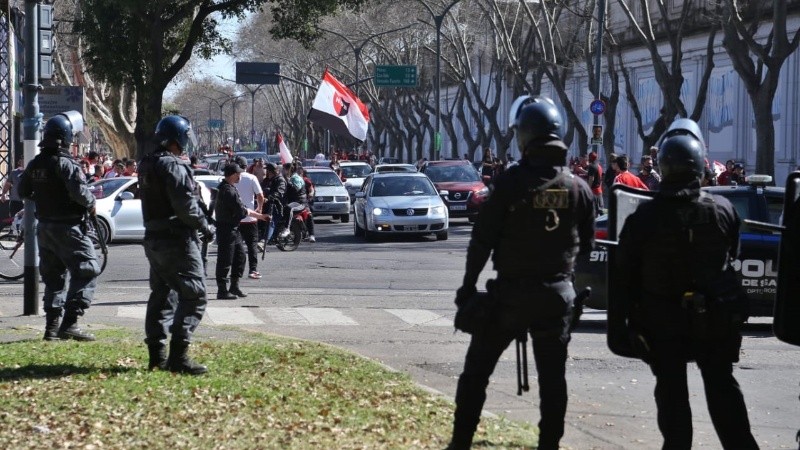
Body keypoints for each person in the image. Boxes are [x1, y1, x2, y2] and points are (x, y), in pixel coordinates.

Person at [448, 97, 595, 450]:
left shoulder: (510, 184)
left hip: (510, 297)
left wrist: (468, 287)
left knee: (476, 372)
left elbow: (482, 241)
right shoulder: (579, 188)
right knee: (553, 380)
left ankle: (460, 443)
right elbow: (587, 247)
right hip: (557, 296)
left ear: (525, 137)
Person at [615, 121, 758, 449]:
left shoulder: (644, 217)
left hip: (663, 322)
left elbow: (624, 273)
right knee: (722, 387)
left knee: (671, 393)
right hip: (714, 319)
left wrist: (631, 321)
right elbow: (733, 253)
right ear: (699, 168)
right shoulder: (722, 209)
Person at [138, 115, 216, 375]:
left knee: (162, 296)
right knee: (194, 295)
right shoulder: (173, 165)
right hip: (176, 239)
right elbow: (186, 207)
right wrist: (205, 226)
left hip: (154, 238)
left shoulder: (147, 164)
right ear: (176, 139)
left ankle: (157, 357)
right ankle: (178, 357)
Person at [17, 111, 99, 342]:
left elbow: (23, 191)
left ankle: (51, 328)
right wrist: (91, 203)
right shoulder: (66, 164)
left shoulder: (35, 164)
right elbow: (80, 194)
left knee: (54, 278)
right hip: (69, 227)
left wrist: (43, 198)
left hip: (45, 227)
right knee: (87, 270)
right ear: (66, 137)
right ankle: (70, 324)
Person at [214, 163, 268, 300]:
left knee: (240, 257)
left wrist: (261, 216)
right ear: (232, 175)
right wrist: (260, 216)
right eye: (238, 174)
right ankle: (222, 290)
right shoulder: (227, 191)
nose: (240, 176)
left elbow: (242, 209)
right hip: (226, 229)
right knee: (225, 260)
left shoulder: (230, 188)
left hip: (234, 229)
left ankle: (234, 286)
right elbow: (241, 211)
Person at [232, 156, 265, 280]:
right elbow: (260, 196)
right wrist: (259, 209)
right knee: (252, 246)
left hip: (235, 218)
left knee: (236, 247)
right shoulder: (251, 178)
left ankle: (236, 270)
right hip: (250, 218)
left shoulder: (232, 178)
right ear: (246, 166)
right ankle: (253, 270)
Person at [282, 162, 315, 243]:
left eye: (284, 169)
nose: (282, 171)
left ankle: (287, 229)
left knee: (291, 209)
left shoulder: (295, 178)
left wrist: (289, 182)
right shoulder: (288, 178)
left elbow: (296, 189)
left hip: (300, 202)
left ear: (288, 170)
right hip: (292, 201)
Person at [260, 162, 286, 245]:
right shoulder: (267, 180)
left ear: (272, 171)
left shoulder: (280, 180)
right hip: (266, 204)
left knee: (271, 219)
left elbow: (279, 192)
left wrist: (269, 197)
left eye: (268, 170)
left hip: (277, 205)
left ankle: (264, 241)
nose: (266, 172)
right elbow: (260, 189)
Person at [585, 152, 604, 216]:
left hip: (593, 191)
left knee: (594, 211)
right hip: (599, 190)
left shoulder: (591, 166)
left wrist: (588, 189)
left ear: (590, 158)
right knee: (600, 210)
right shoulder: (599, 166)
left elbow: (591, 179)